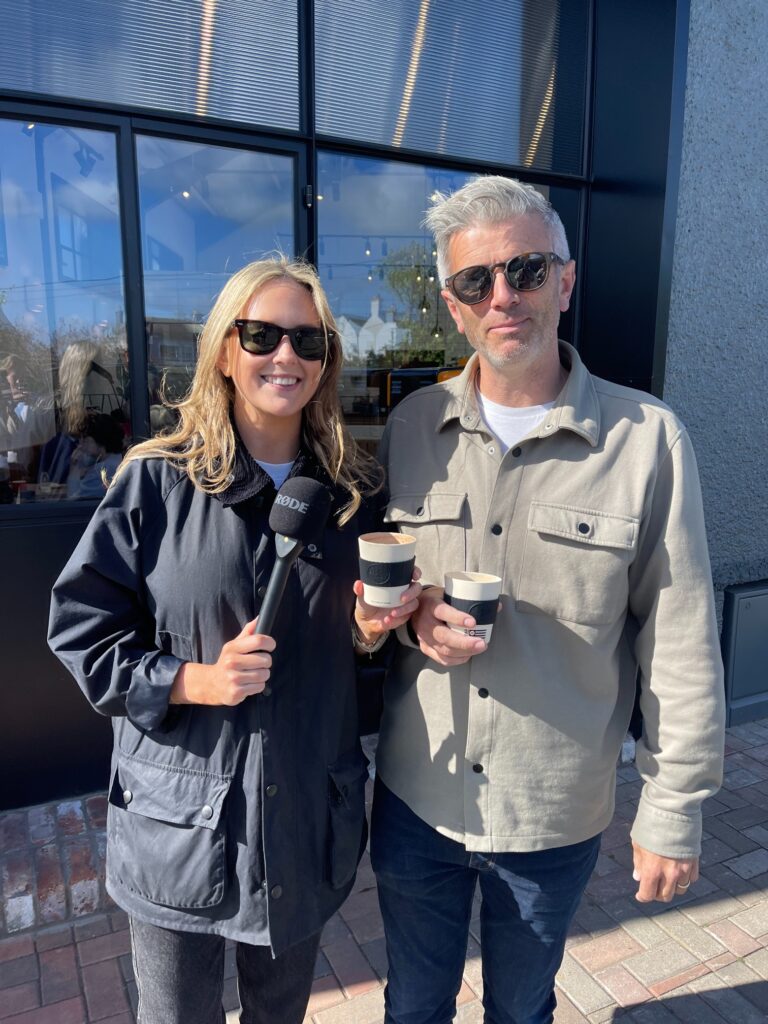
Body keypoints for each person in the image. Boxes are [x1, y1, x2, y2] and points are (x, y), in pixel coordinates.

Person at [370, 176, 725, 1024]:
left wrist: (673, 807)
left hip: (551, 811)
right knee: (411, 1006)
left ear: (566, 281)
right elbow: (379, 599)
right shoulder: (412, 427)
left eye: (526, 270)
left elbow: (678, 638)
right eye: (475, 282)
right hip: (420, 797)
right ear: (453, 306)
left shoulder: (649, 442)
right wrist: (408, 617)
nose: (503, 297)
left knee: (522, 1011)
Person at [48, 257, 419, 1024]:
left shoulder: (355, 493)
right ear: (224, 350)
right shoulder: (155, 482)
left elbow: (366, 661)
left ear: (326, 361)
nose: (286, 356)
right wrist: (189, 681)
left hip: (305, 823)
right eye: (262, 335)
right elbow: (80, 629)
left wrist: (368, 637)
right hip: (180, 828)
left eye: (308, 342)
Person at [65, 410, 124, 499]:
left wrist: (74, 467)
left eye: (85, 439)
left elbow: (73, 498)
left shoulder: (102, 470)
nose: (80, 445)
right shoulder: (118, 460)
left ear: (100, 441)